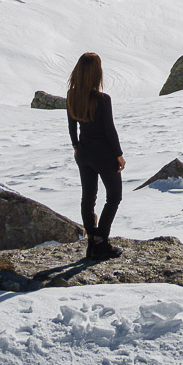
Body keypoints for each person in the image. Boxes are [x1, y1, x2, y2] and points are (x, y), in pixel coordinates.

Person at [66, 52, 126, 260]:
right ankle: (101, 241)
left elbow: (71, 126)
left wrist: (76, 146)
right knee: (114, 196)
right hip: (104, 155)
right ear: (96, 74)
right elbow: (109, 129)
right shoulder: (102, 99)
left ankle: (92, 242)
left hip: (83, 153)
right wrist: (118, 154)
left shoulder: (72, 95)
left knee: (88, 198)